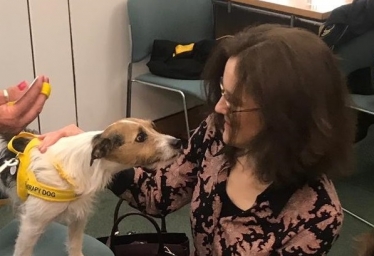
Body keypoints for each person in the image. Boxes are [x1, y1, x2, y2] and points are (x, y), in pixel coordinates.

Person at [38, 24, 356, 255]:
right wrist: (95, 154)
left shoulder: (318, 216)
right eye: (222, 93)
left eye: (234, 100)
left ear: (285, 115)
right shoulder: (217, 132)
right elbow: (160, 195)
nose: (218, 107)